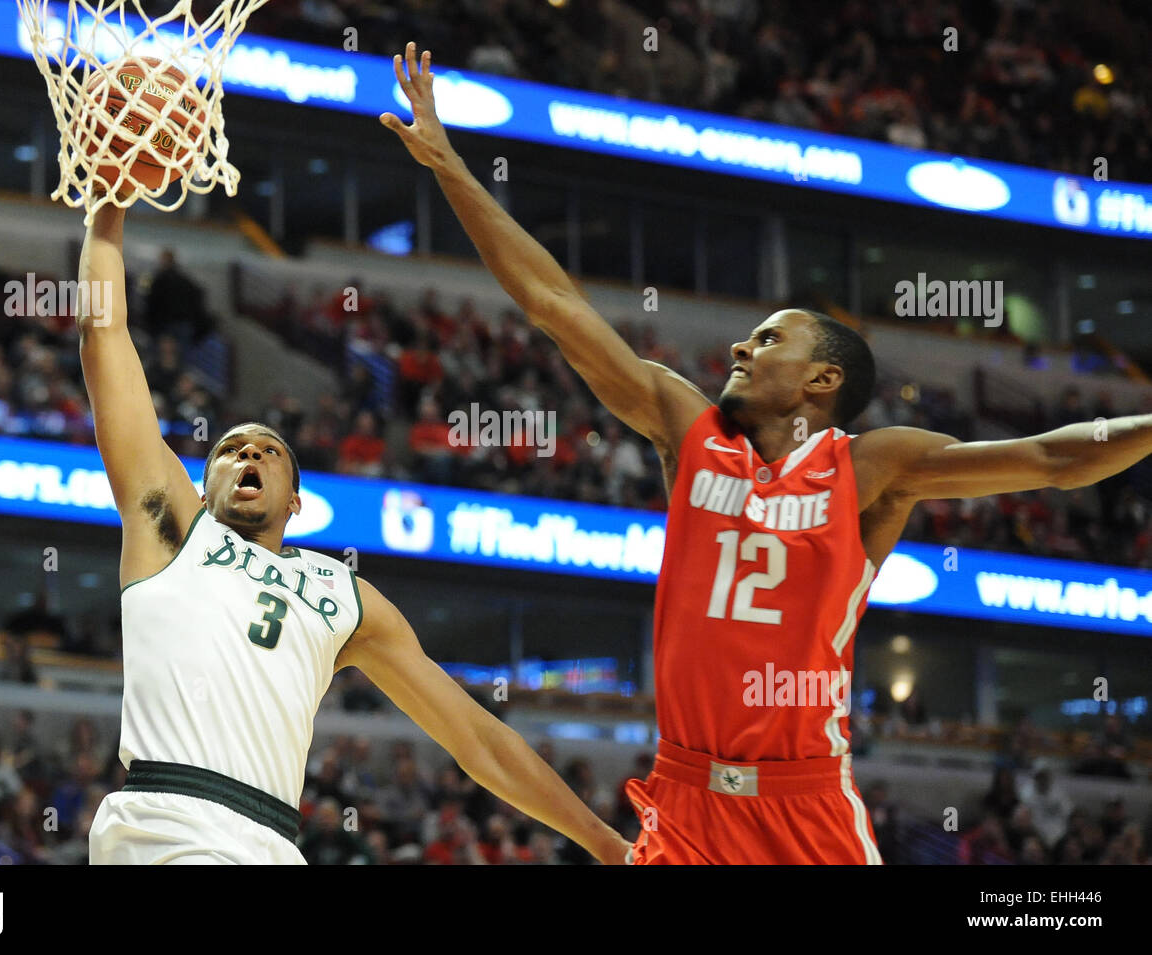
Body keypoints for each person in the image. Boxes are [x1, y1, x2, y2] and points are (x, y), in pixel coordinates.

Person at [382, 41, 1152, 864]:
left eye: (767, 338)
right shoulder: (688, 427)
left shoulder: (873, 466)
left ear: (823, 376)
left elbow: (1051, 460)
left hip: (807, 806)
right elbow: (553, 305)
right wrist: (451, 166)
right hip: (685, 801)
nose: (741, 349)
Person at [75, 200, 627, 865]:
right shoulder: (169, 527)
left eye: (268, 452)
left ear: (297, 501)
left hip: (274, 844)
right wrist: (106, 213)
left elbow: (475, 737)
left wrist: (606, 841)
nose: (248, 455)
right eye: (231, 450)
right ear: (202, 484)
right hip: (169, 826)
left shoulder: (344, 594)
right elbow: (104, 337)